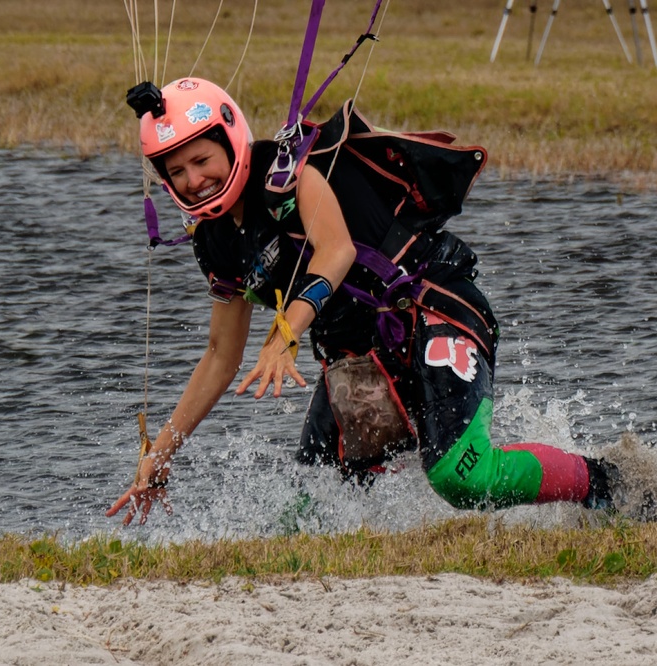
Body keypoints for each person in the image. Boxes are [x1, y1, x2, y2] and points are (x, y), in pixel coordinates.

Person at [105, 77, 625, 527]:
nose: (194, 179)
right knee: (307, 510)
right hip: (357, 361)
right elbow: (221, 357)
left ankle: (610, 484)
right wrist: (161, 453)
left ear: (229, 138)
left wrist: (285, 334)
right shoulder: (214, 241)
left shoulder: (286, 173)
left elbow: (336, 251)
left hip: (433, 310)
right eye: (176, 171)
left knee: (460, 476)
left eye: (201, 159)